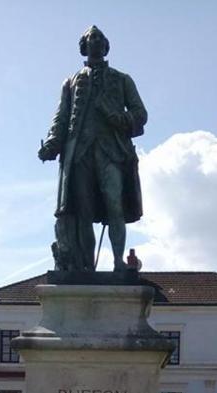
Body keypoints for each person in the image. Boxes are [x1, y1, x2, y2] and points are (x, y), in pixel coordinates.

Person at [38, 25, 147, 272]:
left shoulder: (122, 79)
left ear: (106, 45)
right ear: (84, 46)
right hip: (80, 153)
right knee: (82, 212)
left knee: (115, 205)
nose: (95, 40)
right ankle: (85, 267)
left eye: (99, 37)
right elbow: (61, 117)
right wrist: (53, 143)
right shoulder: (70, 82)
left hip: (112, 151)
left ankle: (119, 262)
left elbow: (140, 114)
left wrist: (115, 117)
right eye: (90, 37)